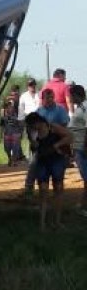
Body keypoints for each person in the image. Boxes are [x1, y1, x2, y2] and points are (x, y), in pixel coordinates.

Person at [24, 112, 72, 231]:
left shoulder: (53, 127)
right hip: (42, 161)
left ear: (38, 122)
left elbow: (70, 136)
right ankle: (43, 223)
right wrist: (33, 141)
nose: (33, 127)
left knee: (58, 189)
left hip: (56, 160)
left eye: (33, 125)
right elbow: (34, 147)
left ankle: (57, 221)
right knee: (43, 191)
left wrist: (56, 145)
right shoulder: (33, 132)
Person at [23, 88, 70, 196]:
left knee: (57, 170)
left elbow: (64, 125)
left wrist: (56, 137)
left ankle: (57, 193)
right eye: (47, 97)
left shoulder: (60, 110)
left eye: (51, 97)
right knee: (34, 163)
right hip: (41, 144)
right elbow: (31, 128)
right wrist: (33, 140)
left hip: (56, 141)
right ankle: (29, 187)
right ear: (42, 99)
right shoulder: (39, 111)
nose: (49, 99)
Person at [68, 84, 87, 215]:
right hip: (78, 146)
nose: (70, 98)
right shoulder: (80, 107)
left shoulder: (84, 108)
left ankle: (82, 206)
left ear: (76, 95)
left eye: (71, 95)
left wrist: (85, 147)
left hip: (81, 147)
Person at [0, 98, 23, 166]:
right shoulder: (3, 115)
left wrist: (20, 133)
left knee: (15, 148)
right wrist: (1, 134)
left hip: (15, 133)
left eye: (11, 107)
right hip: (7, 133)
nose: (9, 108)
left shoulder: (17, 114)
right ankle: (9, 158)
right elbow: (2, 125)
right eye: (8, 107)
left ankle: (14, 161)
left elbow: (20, 124)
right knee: (7, 148)